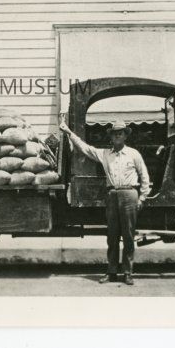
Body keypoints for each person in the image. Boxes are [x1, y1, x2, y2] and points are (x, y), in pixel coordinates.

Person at [59, 120, 150, 285]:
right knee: (112, 235)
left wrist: (142, 197)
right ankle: (112, 272)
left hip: (130, 194)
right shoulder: (105, 154)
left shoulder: (133, 154)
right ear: (111, 137)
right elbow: (86, 148)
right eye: (115, 134)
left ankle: (128, 273)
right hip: (112, 195)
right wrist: (68, 132)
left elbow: (144, 176)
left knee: (129, 236)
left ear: (125, 136)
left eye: (120, 133)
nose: (117, 136)